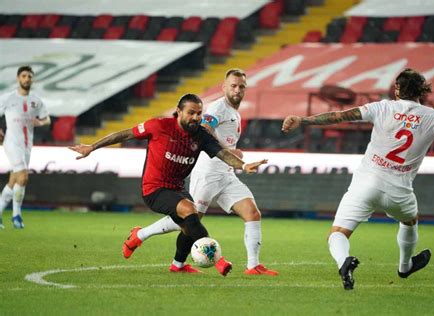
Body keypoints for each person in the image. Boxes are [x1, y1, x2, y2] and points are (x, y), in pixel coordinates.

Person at [281, 68, 434, 290]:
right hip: (399, 191)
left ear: (397, 89)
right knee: (410, 221)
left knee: (338, 233)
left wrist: (302, 121)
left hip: (366, 184)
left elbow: (339, 116)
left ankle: (344, 262)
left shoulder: (382, 107)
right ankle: (405, 266)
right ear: (422, 91)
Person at [69, 93, 267, 276]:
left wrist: (243, 165)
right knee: (190, 212)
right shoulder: (159, 126)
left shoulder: (201, 135)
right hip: (154, 188)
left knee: (191, 223)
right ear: (179, 111)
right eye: (191, 113)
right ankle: (218, 260)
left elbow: (222, 153)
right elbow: (125, 134)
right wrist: (92, 147)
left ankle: (176, 263)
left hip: (177, 188)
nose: (195, 118)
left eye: (199, 114)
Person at [124, 69, 278, 276]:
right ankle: (143, 237)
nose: (237, 90)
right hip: (207, 171)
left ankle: (253, 266)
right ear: (224, 87)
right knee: (191, 219)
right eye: (233, 85)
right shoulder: (218, 108)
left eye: (241, 86)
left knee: (252, 213)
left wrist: (236, 161)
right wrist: (228, 151)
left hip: (226, 173)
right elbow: (204, 128)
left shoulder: (234, 112)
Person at [0, 66, 51, 229]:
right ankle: (16, 216)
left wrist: (40, 122)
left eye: (29, 76)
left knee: (14, 180)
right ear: (18, 78)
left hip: (27, 144)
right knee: (23, 177)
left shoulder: (36, 101)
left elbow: (47, 119)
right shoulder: (7, 98)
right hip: (11, 143)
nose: (27, 79)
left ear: (32, 79)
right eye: (24, 76)